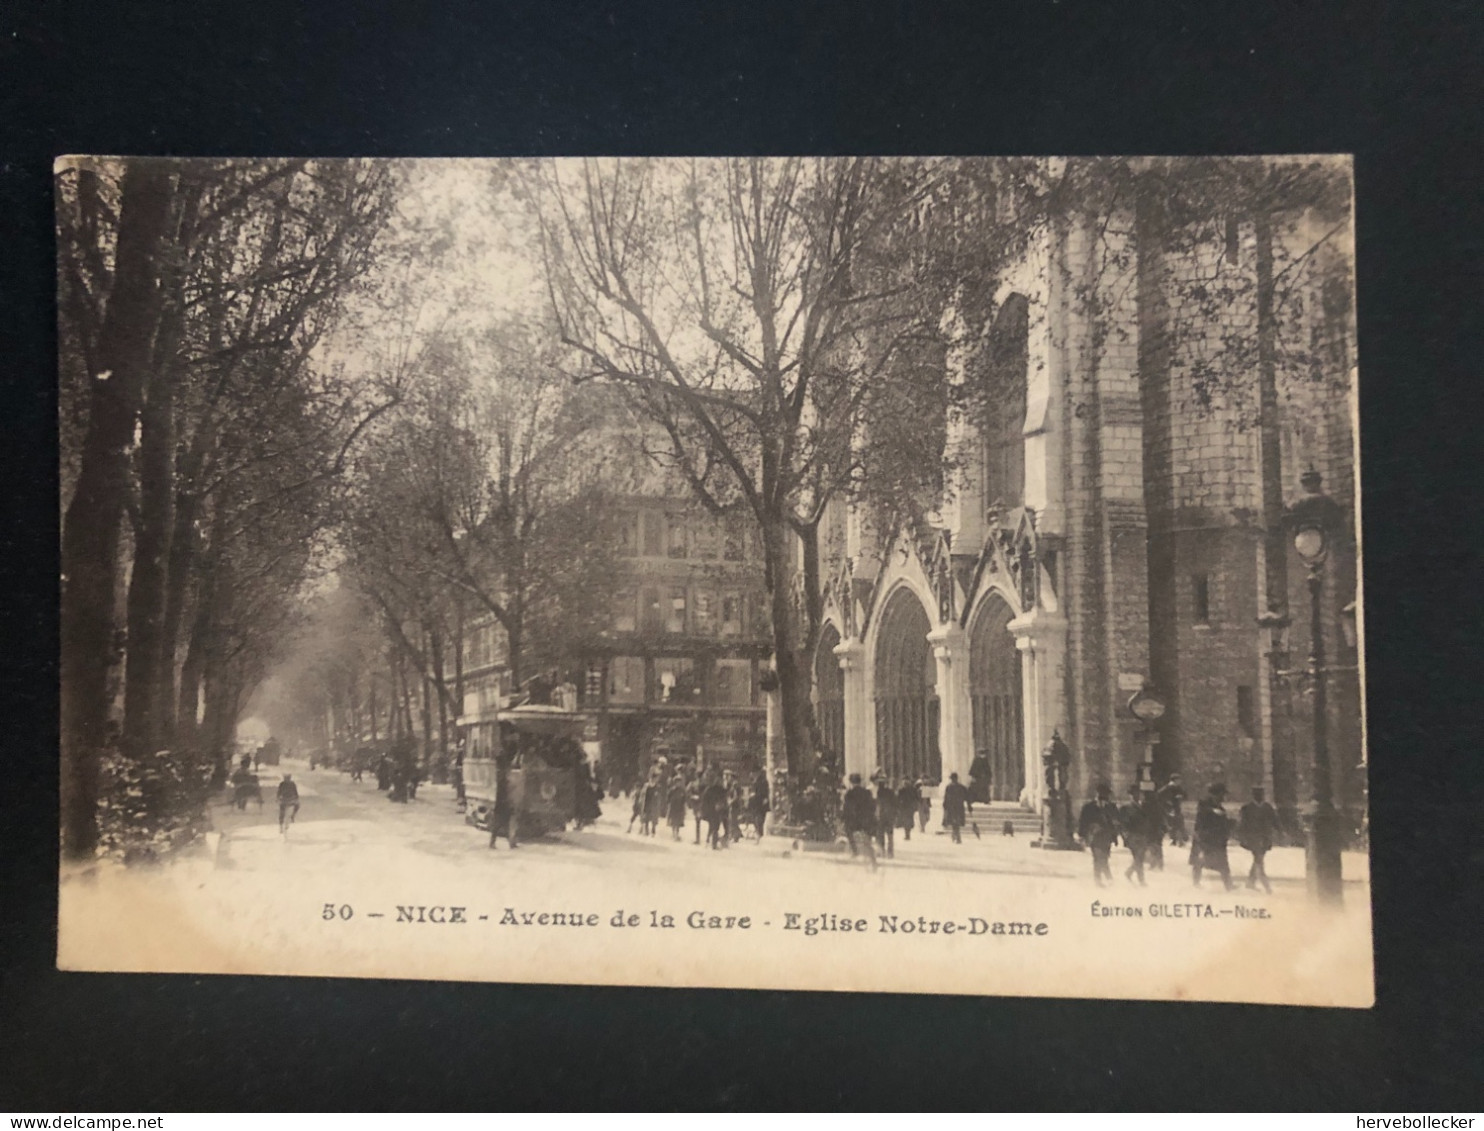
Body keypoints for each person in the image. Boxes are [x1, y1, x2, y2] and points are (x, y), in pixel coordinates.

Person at [1192, 783, 1234, 890]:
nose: (1224, 797)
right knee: (1199, 861)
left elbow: (1222, 822)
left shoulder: (1220, 807)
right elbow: (1202, 814)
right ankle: (1196, 883)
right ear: (1217, 794)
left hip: (1216, 838)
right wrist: (1213, 811)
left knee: (1222, 862)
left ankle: (1228, 885)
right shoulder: (1205, 803)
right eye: (1223, 794)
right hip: (1204, 836)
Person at [1077, 782, 1121, 886]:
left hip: (1107, 837)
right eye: (1102, 793)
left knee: (1104, 857)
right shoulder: (1089, 807)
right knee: (1098, 857)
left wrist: (1115, 836)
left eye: (1106, 794)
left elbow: (1116, 822)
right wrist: (1083, 835)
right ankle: (1099, 880)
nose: (1105, 796)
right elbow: (1083, 822)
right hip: (1094, 837)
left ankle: (1107, 877)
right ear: (1097, 794)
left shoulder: (1111, 807)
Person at [1238, 786, 1279, 893]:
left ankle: (1251, 882)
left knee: (1258, 859)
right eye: (1257, 795)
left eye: (1261, 795)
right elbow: (1243, 824)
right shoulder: (1247, 808)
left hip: (1265, 838)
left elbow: (1275, 821)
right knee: (1259, 859)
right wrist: (1242, 837)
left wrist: (1280, 831)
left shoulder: (1267, 807)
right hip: (1253, 838)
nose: (1259, 797)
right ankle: (1266, 886)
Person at [841, 773, 877, 868]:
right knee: (867, 842)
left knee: (848, 832)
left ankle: (855, 850)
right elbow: (872, 806)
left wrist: (844, 818)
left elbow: (847, 808)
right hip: (865, 820)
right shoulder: (867, 792)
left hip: (854, 821)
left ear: (851, 782)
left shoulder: (849, 794)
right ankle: (873, 860)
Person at [1118, 784, 1152, 886]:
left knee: (1140, 857)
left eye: (1138, 794)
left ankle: (1129, 873)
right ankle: (1141, 880)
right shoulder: (1126, 808)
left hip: (1143, 836)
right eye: (1134, 794)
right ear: (1130, 796)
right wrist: (1126, 836)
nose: (1137, 796)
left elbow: (1147, 822)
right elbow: (1122, 824)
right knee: (1138, 857)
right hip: (1133, 836)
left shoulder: (1144, 807)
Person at [701, 770, 729, 850]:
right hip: (713, 811)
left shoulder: (711, 789)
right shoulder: (711, 789)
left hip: (716, 811)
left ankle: (710, 841)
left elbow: (724, 796)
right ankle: (713, 843)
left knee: (713, 827)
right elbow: (705, 801)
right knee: (714, 827)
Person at [1158, 773, 1188, 848]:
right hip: (1169, 809)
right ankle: (1177, 840)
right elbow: (1159, 795)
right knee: (1175, 823)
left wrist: (1181, 796)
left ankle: (1177, 840)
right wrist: (1167, 802)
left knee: (1178, 823)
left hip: (1176, 808)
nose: (1180, 781)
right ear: (1175, 780)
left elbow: (1185, 795)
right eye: (1179, 780)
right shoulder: (1168, 787)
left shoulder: (1178, 787)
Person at [941, 772, 971, 844]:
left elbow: (946, 798)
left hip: (952, 807)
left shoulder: (949, 787)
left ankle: (956, 836)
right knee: (956, 822)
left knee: (954, 822)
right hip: (959, 807)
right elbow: (967, 798)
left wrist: (945, 806)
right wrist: (969, 806)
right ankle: (956, 836)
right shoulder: (962, 787)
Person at [873, 774, 897, 859]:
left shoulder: (877, 792)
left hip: (881, 816)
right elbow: (895, 804)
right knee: (889, 836)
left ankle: (881, 851)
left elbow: (876, 805)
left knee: (880, 835)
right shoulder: (890, 792)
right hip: (889, 816)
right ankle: (890, 852)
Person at [642, 767, 665, 836]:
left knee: (654, 818)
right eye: (654, 778)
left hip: (654, 804)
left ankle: (653, 830)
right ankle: (646, 830)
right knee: (646, 817)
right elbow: (643, 794)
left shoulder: (658, 786)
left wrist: (659, 803)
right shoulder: (647, 785)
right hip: (647, 803)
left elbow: (659, 796)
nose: (656, 779)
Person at [747, 770, 770, 840]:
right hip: (757, 804)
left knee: (759, 820)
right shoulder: (756, 781)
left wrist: (753, 795)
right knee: (757, 820)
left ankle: (759, 835)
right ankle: (759, 835)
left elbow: (763, 793)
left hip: (759, 804)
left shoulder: (762, 782)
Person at [665, 774, 688, 841]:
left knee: (678, 821)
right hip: (673, 807)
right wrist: (668, 805)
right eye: (677, 782)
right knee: (673, 821)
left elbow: (684, 799)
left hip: (680, 807)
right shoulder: (672, 790)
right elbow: (668, 798)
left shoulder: (682, 790)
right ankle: (673, 833)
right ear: (675, 783)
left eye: (680, 782)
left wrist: (684, 807)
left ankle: (677, 834)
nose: (679, 783)